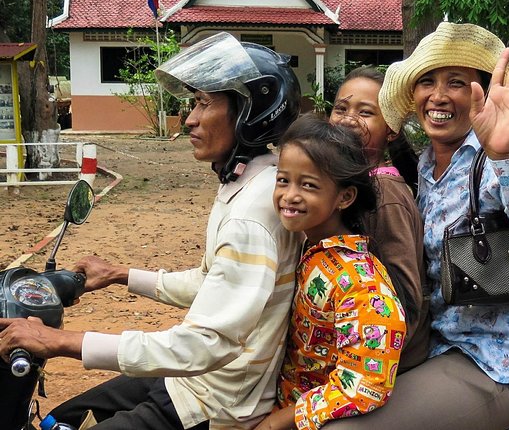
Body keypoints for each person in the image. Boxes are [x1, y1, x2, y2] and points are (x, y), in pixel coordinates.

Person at [0, 32, 303, 430]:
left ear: (252, 110)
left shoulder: (251, 214)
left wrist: (62, 341)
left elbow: (206, 344)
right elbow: (214, 283)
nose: (190, 118)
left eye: (203, 103)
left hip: (214, 402)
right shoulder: (247, 181)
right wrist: (120, 275)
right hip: (194, 379)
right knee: (60, 418)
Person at [324, 22, 509, 430]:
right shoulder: (423, 168)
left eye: (457, 83)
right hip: (433, 349)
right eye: (427, 82)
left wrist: (505, 155)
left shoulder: (500, 163)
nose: (438, 96)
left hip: (494, 361)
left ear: (482, 94)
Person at [255, 115, 407, 430]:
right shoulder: (303, 245)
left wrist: (278, 423)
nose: (290, 195)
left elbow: (368, 384)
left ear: (345, 197)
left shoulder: (359, 282)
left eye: (308, 185)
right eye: (283, 180)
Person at [329, 66, 429, 373]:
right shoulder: (345, 186)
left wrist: (372, 366)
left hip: (383, 362)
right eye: (341, 108)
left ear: (392, 129)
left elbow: (407, 296)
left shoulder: (384, 193)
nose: (348, 119)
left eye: (366, 112)